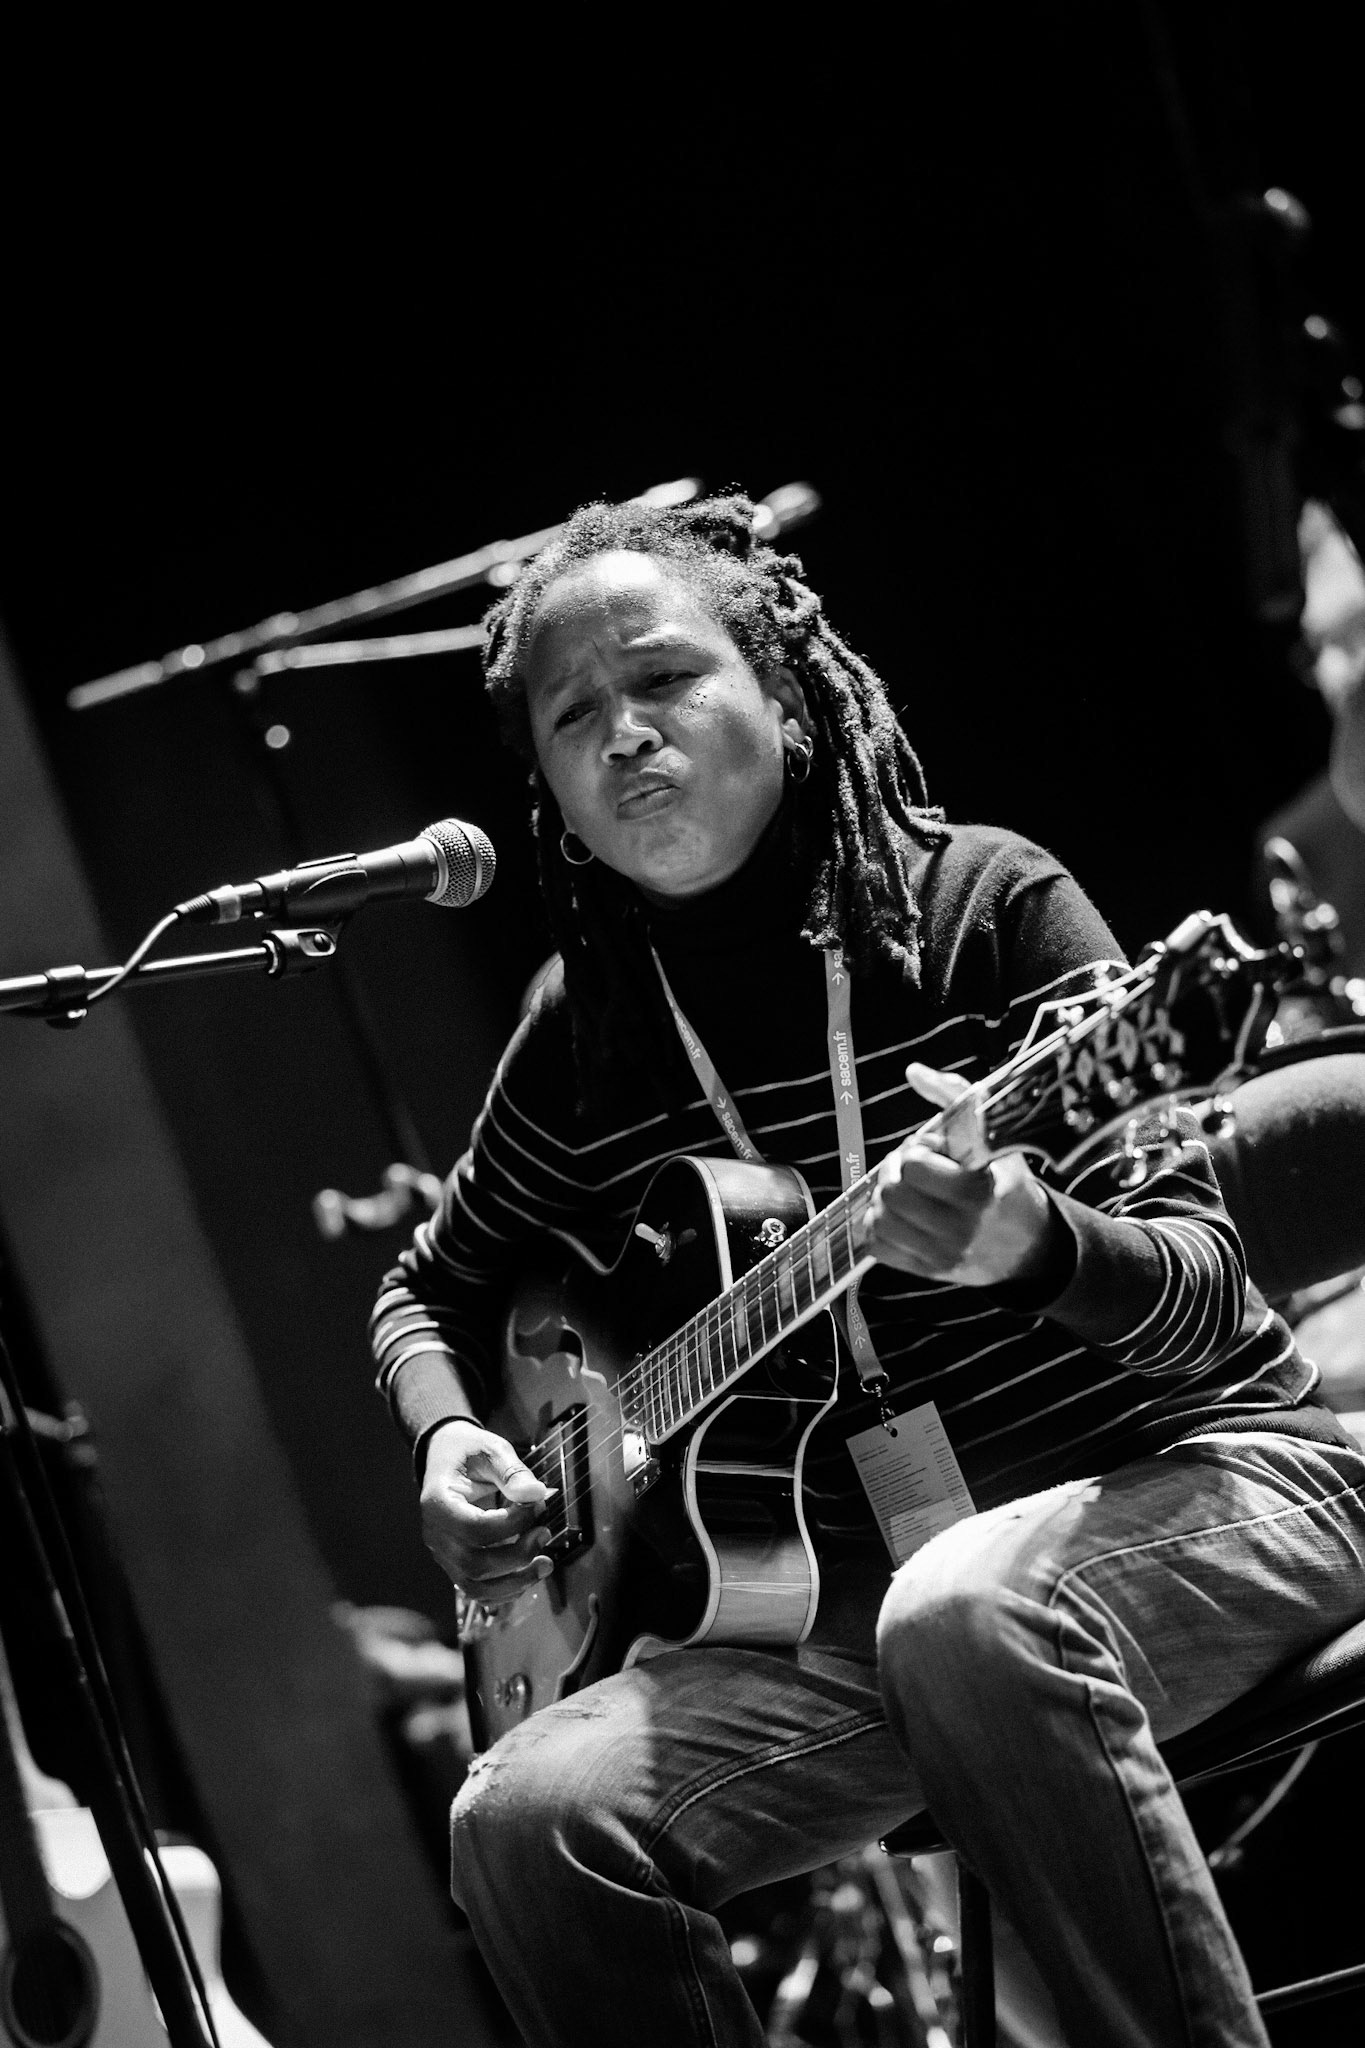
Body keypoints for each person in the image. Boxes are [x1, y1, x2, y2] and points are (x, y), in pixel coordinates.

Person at [370, 492, 1365, 2048]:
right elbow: (426, 1287)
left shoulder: (982, 907)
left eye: (666, 680)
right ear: (548, 793)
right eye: (576, 716)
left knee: (963, 1609)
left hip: (1223, 1484)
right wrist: (451, 1437)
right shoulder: (589, 1034)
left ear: (781, 693)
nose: (626, 734)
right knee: (527, 1816)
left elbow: (1198, 1296)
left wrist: (1031, 1244)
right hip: (869, 1613)